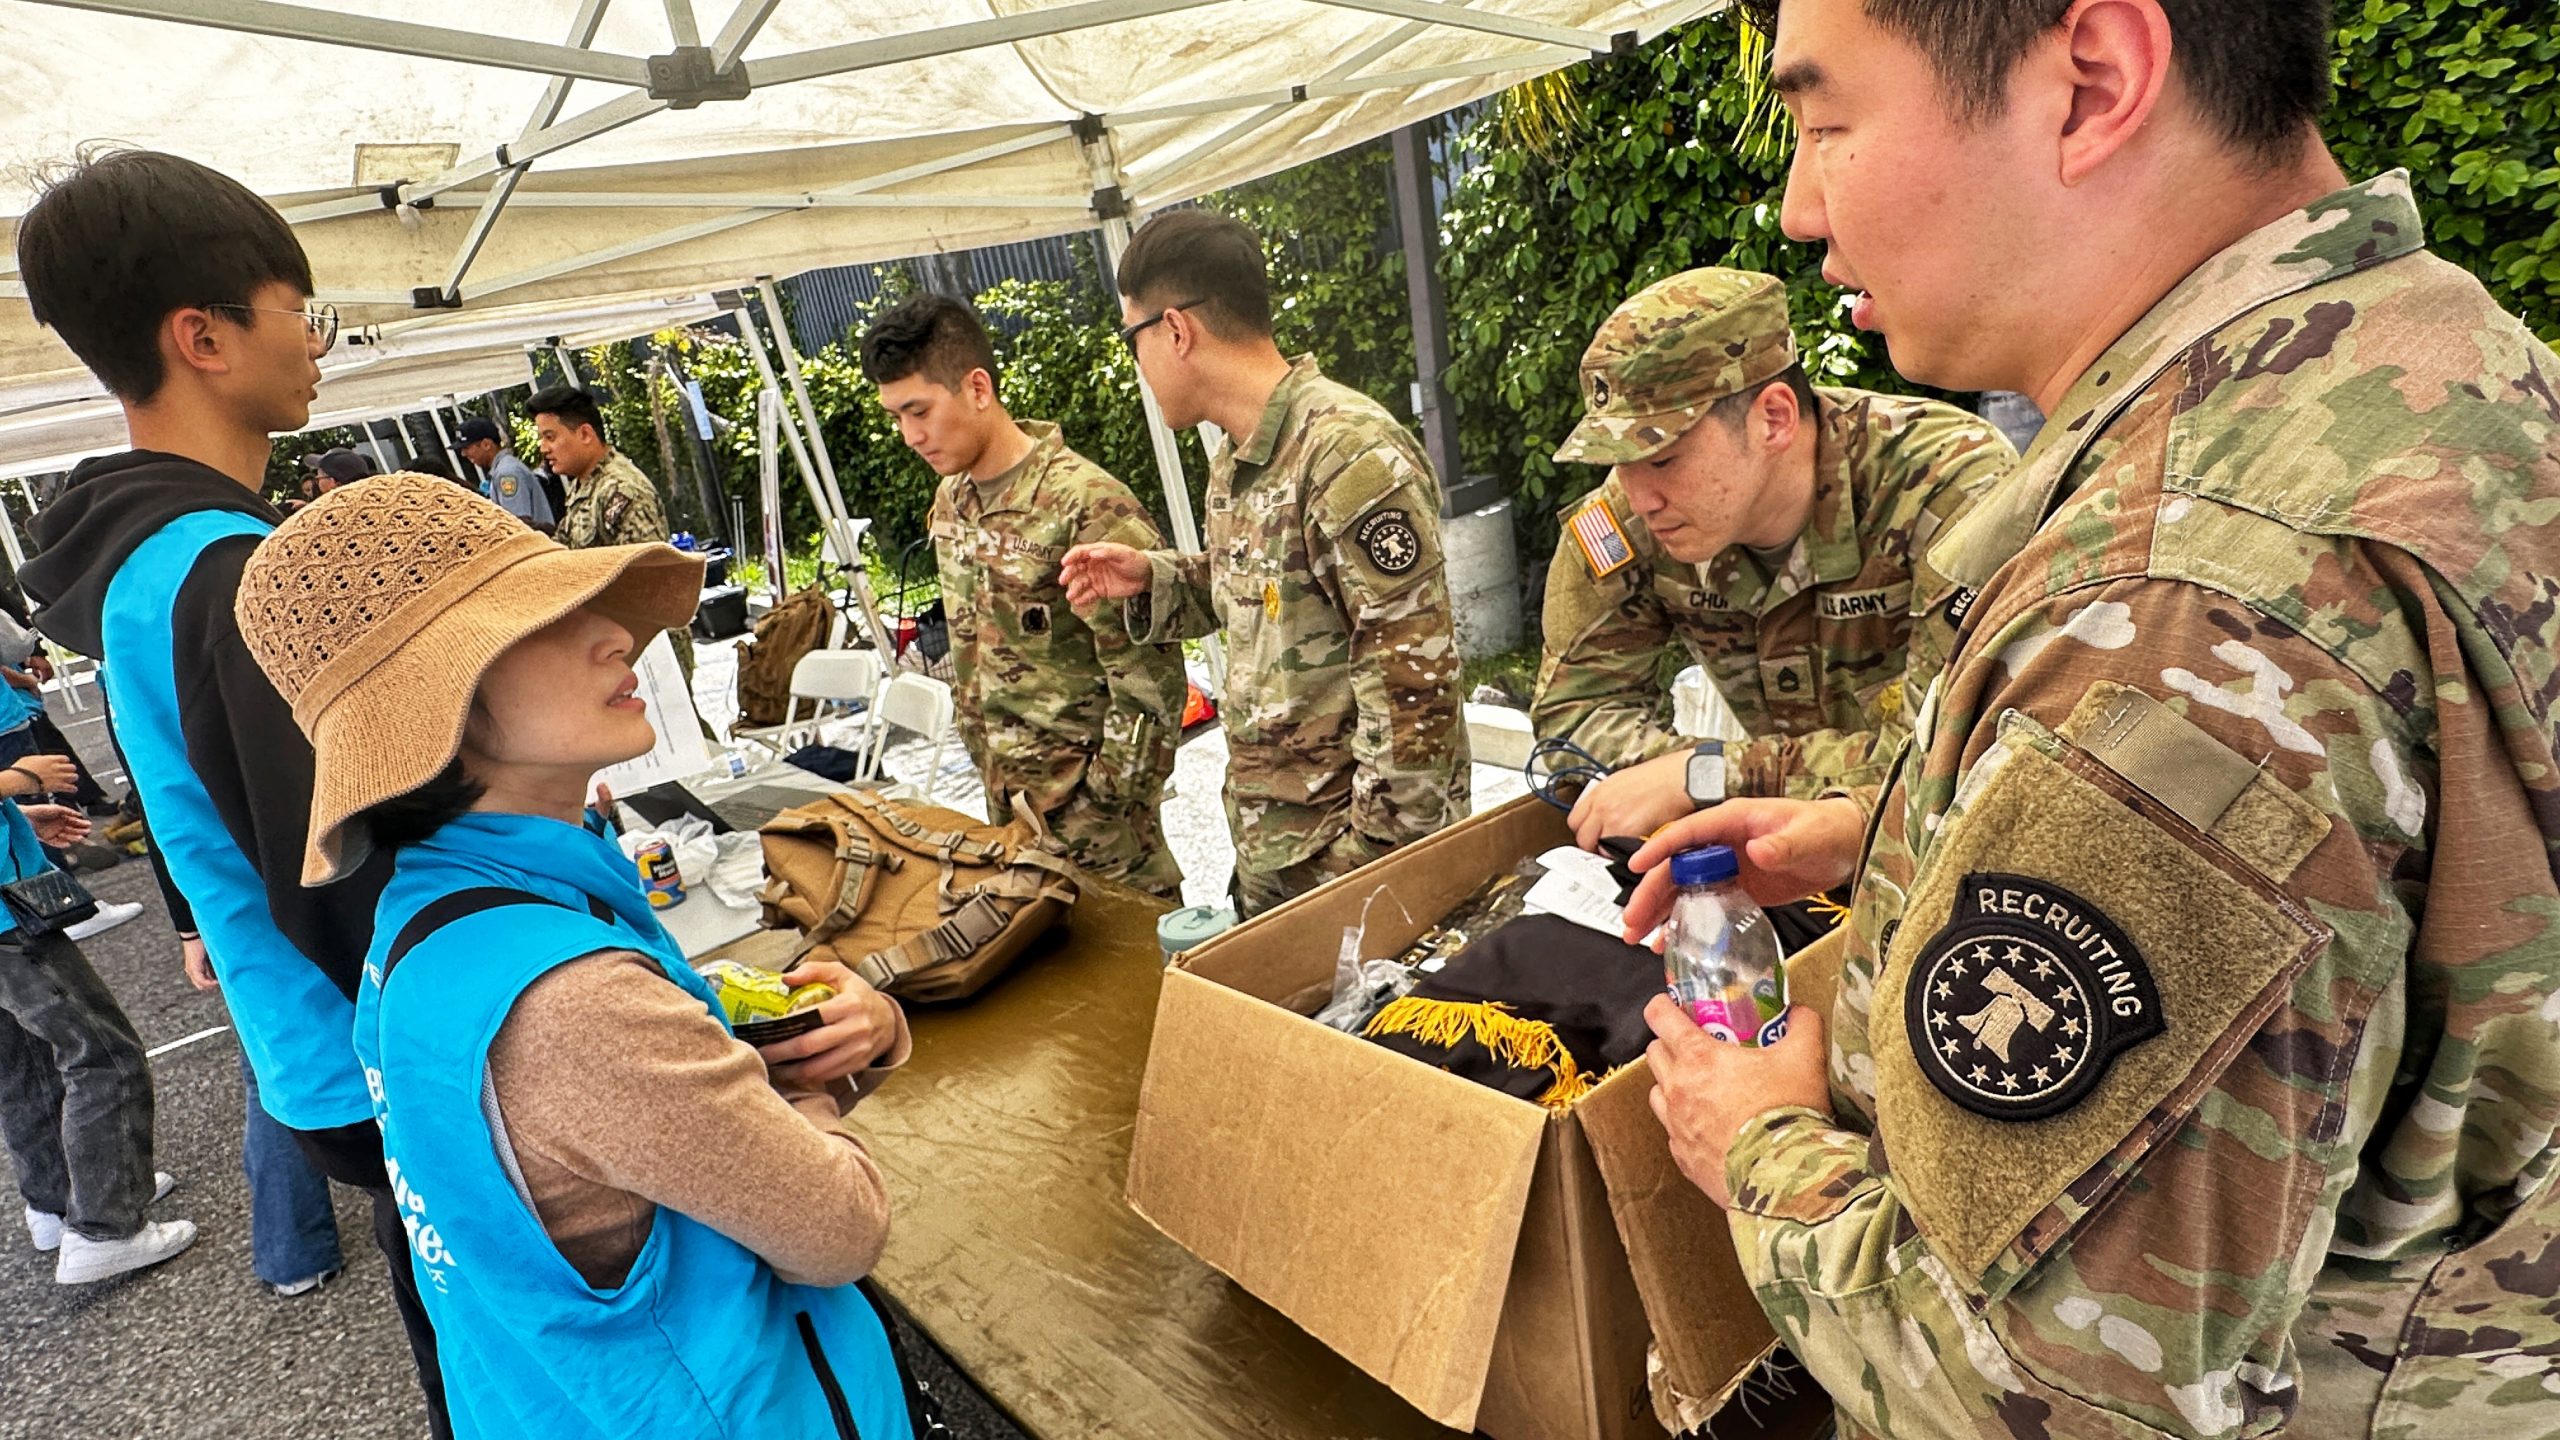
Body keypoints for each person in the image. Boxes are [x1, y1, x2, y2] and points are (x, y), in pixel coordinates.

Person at [1623, 2, 2560, 1435]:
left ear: (2092, 81)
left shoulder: (2188, 600)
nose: (1804, 208)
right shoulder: (2429, 356)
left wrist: (1759, 1143)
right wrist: (1897, 834)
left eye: (1824, 124)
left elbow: (2039, 1392)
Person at [233, 472, 931, 1440]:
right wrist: (807, 1087)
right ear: (440, 704)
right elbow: (838, 1228)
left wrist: (772, 1053)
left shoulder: (428, 923)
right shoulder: (573, 1001)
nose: (615, 635)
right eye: (545, 618)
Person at [15, 149, 450, 1433]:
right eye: (297, 312)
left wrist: (196, 919)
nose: (316, 343)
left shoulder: (145, 563)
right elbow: (339, 862)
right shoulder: (234, 570)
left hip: (309, 1046)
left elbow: (191, 795)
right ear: (201, 336)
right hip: (387, 1048)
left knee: (450, 1304)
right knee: (500, 1332)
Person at [1061, 209, 1470, 915]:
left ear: (1175, 330)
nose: (1137, 365)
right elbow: (1267, 597)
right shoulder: (1241, 454)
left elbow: (1415, 688)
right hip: (1279, 853)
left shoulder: (1346, 453)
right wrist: (1156, 578)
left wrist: (1364, 869)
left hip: (1351, 872)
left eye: (1133, 339)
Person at [1532, 267, 2014, 850]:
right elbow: (1574, 718)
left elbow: (1949, 758)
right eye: (1619, 461)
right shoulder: (1624, 520)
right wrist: (1705, 785)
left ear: (1774, 418)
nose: (1639, 497)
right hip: (1775, 858)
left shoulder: (1946, 485)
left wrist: (1706, 776)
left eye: (1661, 459)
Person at [860, 295, 1187, 898]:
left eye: (919, 411)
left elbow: (1150, 680)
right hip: (1009, 818)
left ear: (977, 388)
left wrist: (1104, 803)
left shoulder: (1086, 503)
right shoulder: (953, 502)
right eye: (896, 417)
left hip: (1105, 840)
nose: (909, 436)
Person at [0, 768, 191, 1284]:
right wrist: (20, 779)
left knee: (27, 1067)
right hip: (7, 920)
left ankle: (59, 1200)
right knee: (103, 1055)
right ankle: (106, 1226)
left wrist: (15, 814)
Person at [457, 416, 554, 533]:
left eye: (467, 447)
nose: (463, 454)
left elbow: (516, 524)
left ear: (486, 444)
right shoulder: (503, 469)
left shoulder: (507, 472)